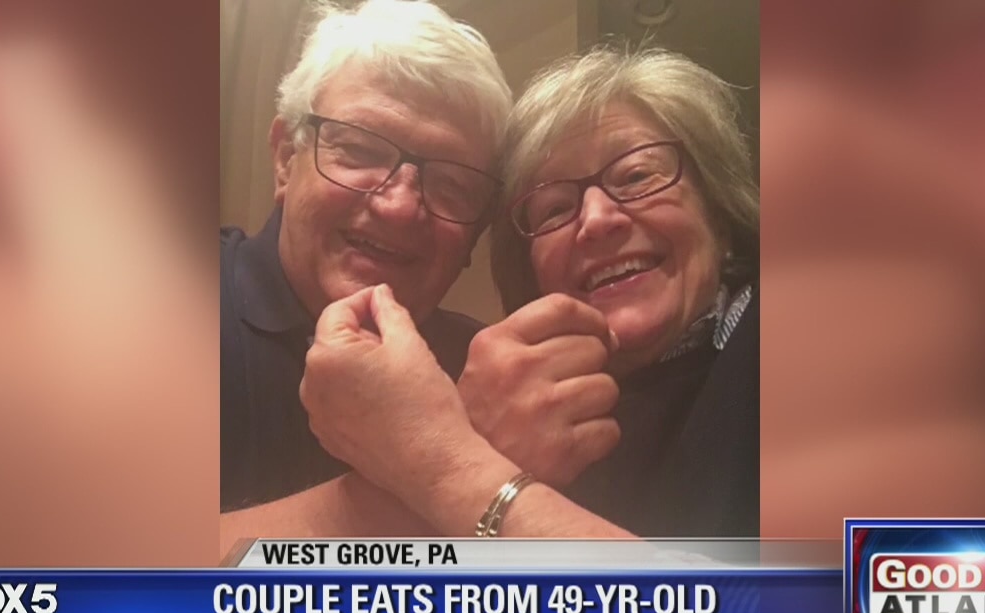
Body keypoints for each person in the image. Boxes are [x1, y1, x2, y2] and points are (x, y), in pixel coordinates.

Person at [299, 46, 759, 540]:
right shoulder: (500, 394)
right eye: (555, 208)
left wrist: (452, 460)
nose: (597, 220)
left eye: (636, 176)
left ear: (718, 213)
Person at [220, 0, 512, 544]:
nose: (400, 207)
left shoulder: (488, 375)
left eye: (452, 184)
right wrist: (438, 478)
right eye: (358, 149)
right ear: (285, 159)